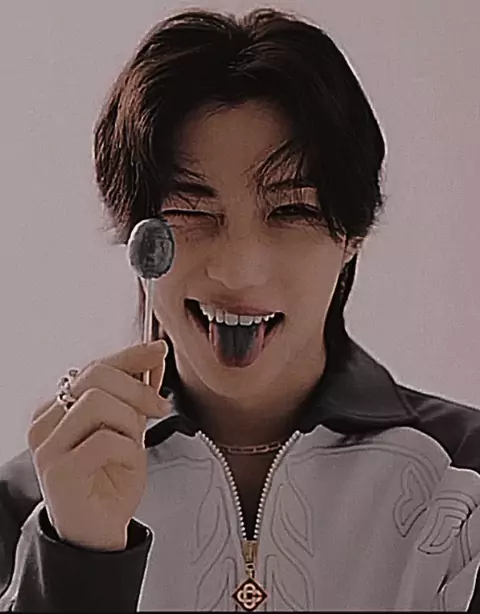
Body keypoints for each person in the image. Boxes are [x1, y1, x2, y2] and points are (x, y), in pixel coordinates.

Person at [1, 6, 479, 612]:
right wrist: (76, 561)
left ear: (352, 235)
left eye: (291, 211)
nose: (237, 270)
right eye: (191, 211)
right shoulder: (33, 499)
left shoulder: (464, 477)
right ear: (138, 240)